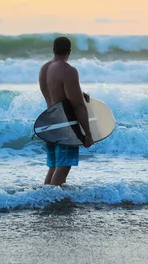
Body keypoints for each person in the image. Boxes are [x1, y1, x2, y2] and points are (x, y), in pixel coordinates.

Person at [39, 36, 94, 185]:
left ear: (53, 50)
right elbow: (77, 105)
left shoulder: (45, 69)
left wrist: (80, 94)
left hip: (49, 123)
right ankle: (54, 204)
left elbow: (56, 92)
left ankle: (46, 199)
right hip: (64, 125)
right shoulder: (68, 70)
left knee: (54, 167)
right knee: (62, 169)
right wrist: (87, 133)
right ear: (70, 51)